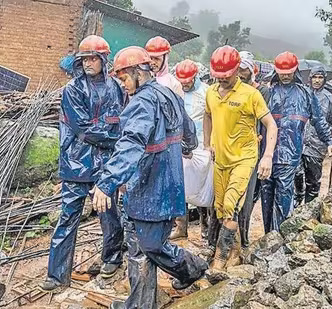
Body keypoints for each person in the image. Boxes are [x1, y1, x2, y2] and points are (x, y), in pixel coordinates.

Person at [91, 46, 208, 309]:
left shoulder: (141, 103)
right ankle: (140, 305)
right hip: (168, 181)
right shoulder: (169, 94)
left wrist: (106, 182)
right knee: (139, 248)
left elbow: (131, 143)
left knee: (148, 245)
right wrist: (187, 146)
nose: (122, 85)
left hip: (149, 184)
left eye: (123, 78)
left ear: (137, 73)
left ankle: (191, 268)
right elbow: (188, 128)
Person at [42, 35, 125, 291]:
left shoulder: (117, 88)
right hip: (76, 164)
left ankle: (112, 258)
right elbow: (84, 129)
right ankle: (56, 276)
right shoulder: (73, 90)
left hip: (105, 165)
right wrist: (116, 137)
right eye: (84, 58)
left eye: (92, 58)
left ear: (103, 59)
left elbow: (121, 119)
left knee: (110, 215)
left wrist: (116, 136)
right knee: (68, 218)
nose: (88, 63)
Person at [203, 46, 278, 271]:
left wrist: (267, 156)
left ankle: (219, 259)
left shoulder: (251, 94)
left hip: (244, 159)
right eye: (218, 76)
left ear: (237, 70)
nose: (222, 80)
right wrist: (207, 144)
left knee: (230, 204)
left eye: (226, 75)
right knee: (218, 207)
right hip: (221, 160)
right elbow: (208, 116)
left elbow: (271, 125)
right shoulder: (211, 92)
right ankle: (235, 251)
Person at [261, 52, 332, 233]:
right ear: (276, 70)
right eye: (282, 72)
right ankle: (267, 235)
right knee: (266, 194)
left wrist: (329, 141)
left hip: (290, 153)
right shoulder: (268, 92)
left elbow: (319, 120)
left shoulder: (305, 94)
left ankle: (278, 236)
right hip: (266, 153)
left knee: (284, 194)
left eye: (288, 72)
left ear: (295, 70)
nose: (285, 75)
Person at [170, 59, 212, 241]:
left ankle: (206, 227)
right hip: (180, 146)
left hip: (203, 147)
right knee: (181, 187)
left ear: (195, 76)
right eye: (182, 80)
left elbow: (212, 118)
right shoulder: (175, 90)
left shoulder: (206, 92)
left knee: (203, 188)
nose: (185, 83)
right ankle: (180, 227)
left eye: (188, 80)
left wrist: (210, 145)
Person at [237, 51, 271, 248]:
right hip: (232, 147)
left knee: (248, 195)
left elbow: (265, 121)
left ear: (251, 71)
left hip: (252, 147)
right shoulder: (231, 90)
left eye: (244, 70)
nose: (240, 73)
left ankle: (243, 236)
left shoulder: (261, 91)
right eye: (238, 69)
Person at [295, 66, 332, 205]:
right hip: (298, 142)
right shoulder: (302, 93)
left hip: (316, 145)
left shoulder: (329, 98)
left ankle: (310, 208)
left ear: (324, 79)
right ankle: (295, 207)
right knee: (296, 175)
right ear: (310, 78)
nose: (317, 80)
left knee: (313, 181)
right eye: (314, 77)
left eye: (320, 77)